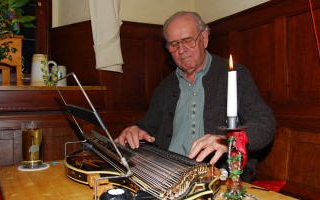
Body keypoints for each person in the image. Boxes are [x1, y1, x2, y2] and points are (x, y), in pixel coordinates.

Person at [115, 11, 275, 183]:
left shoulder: (235, 75)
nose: (181, 50)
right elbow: (148, 125)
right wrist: (136, 129)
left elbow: (264, 122)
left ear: (204, 39)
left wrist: (229, 140)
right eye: (174, 44)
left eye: (187, 40)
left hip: (218, 175)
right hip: (167, 174)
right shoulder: (165, 87)